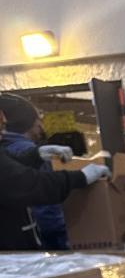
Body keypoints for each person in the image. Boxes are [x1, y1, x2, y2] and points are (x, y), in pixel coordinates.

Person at [0, 104, 108, 250]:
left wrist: (37, 155)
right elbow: (28, 183)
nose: (4, 124)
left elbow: (12, 165)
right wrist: (81, 177)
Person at [0, 93, 71, 250]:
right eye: (39, 118)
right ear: (31, 123)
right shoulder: (29, 151)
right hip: (34, 241)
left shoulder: (5, 150)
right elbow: (47, 207)